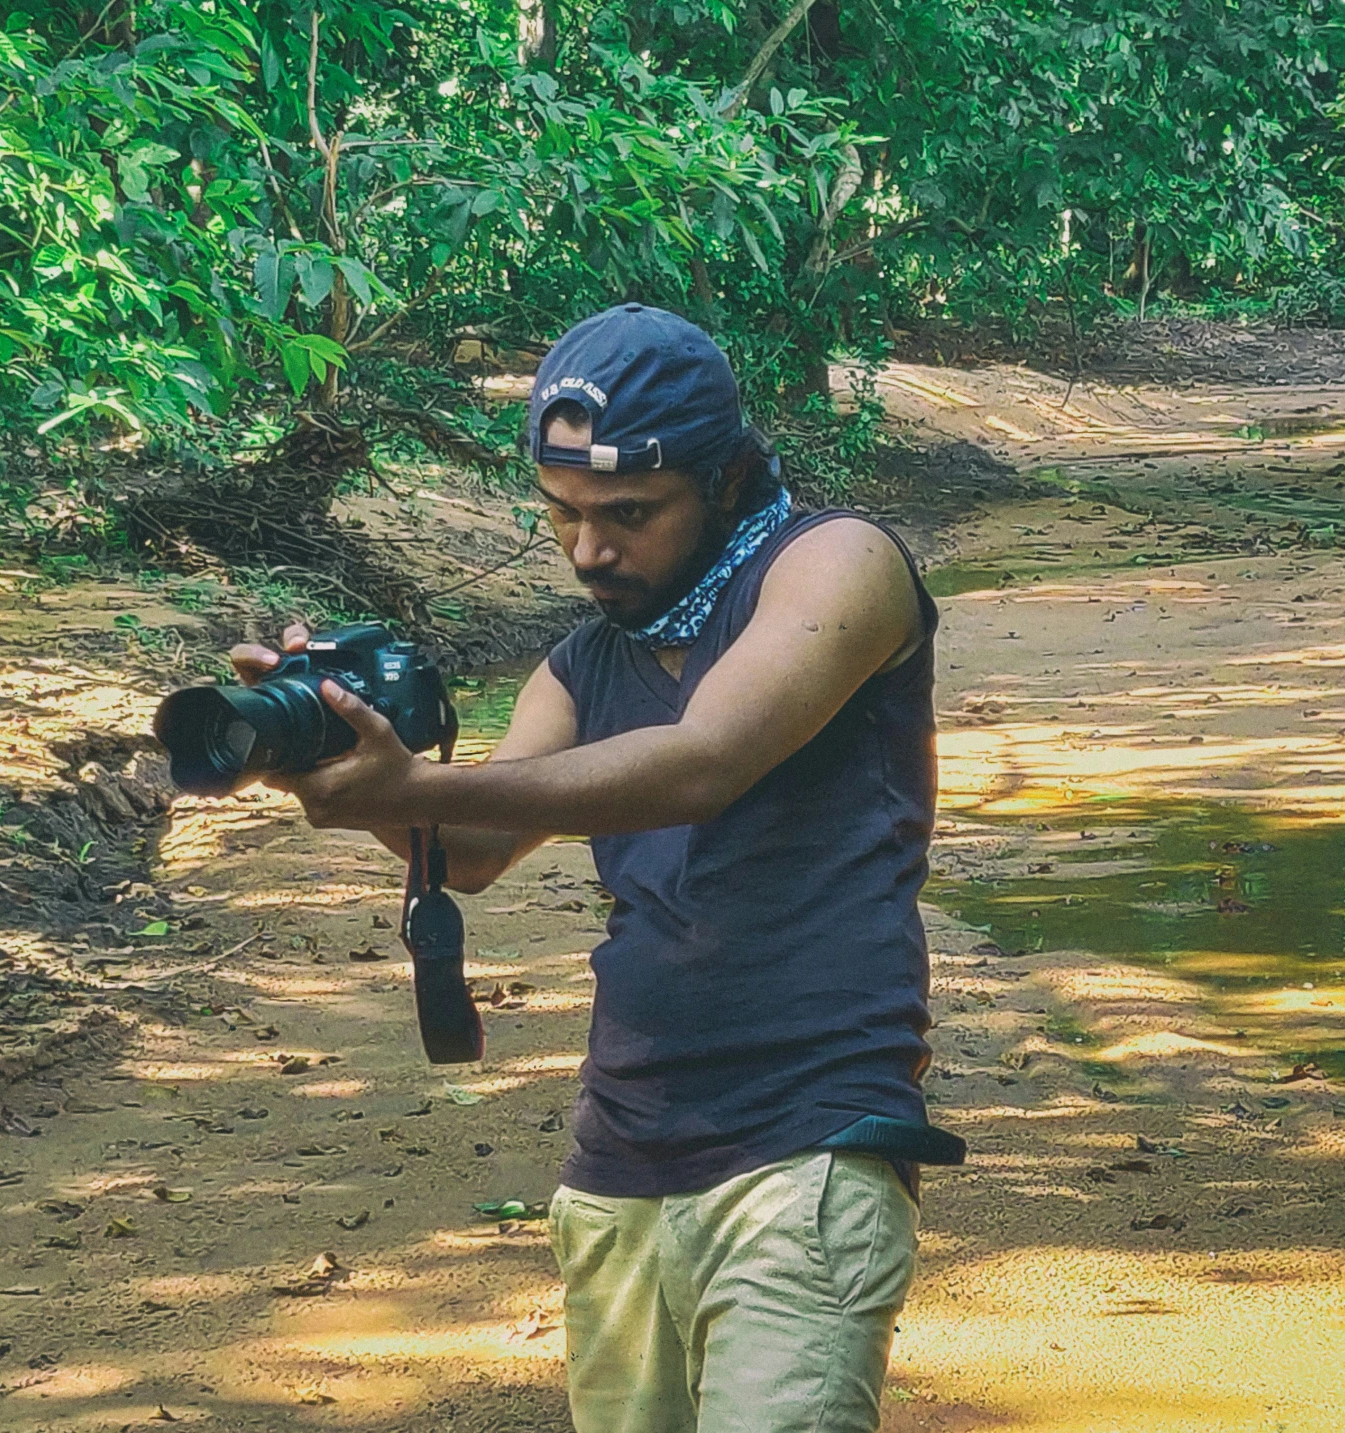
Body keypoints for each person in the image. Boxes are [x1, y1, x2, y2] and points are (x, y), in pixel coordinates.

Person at [231, 303, 960, 1433]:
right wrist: (330, 758)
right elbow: (468, 853)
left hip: (807, 1137)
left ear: (722, 480)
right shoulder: (582, 662)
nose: (588, 552)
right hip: (622, 1148)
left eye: (627, 514)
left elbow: (700, 762)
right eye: (561, 515)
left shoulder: (837, 563)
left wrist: (411, 788)